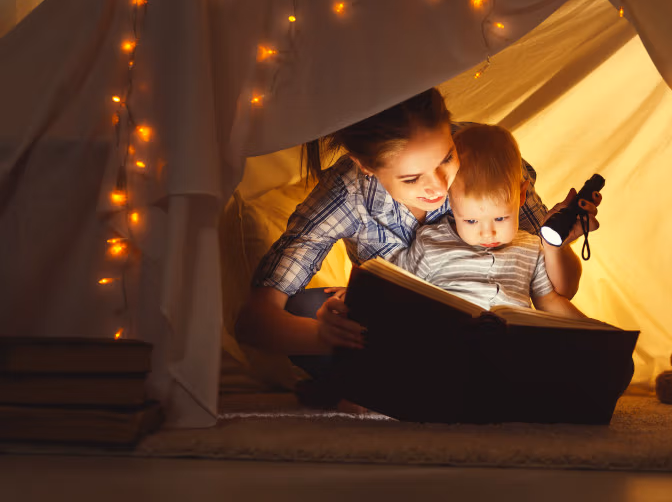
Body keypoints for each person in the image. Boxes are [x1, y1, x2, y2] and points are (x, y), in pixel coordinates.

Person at [235, 88, 599, 360]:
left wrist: (557, 240)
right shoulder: (346, 194)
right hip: (395, 337)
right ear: (366, 166)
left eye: (446, 159)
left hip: (488, 334)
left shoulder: (486, 155)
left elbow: (550, 289)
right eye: (411, 179)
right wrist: (327, 334)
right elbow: (254, 320)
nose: (439, 187)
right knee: (308, 307)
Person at [389, 124, 588, 319]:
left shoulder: (531, 248)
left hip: (511, 337)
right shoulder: (430, 243)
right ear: (450, 201)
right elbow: (396, 293)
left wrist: (598, 330)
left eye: (500, 218)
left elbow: (549, 300)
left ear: (521, 196)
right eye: (471, 221)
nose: (487, 233)